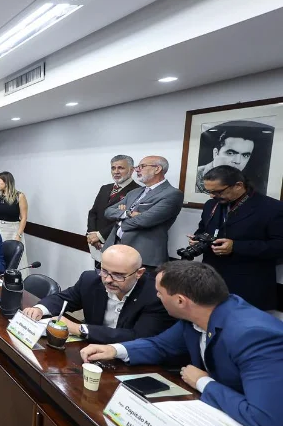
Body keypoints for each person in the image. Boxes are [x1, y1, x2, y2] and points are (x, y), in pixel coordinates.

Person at [80, 261, 283, 426]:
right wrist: (114, 349)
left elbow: (269, 421)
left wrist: (203, 383)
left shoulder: (255, 335)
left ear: (180, 301)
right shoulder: (198, 314)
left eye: (160, 292)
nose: (157, 297)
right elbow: (161, 346)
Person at [22, 245, 175, 344]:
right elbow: (64, 298)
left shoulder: (155, 294)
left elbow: (138, 337)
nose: (108, 280)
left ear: (139, 273)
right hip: (91, 349)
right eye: (104, 271)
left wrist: (79, 328)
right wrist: (40, 309)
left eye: (118, 275)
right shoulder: (91, 280)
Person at [192, 165, 283, 310]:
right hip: (211, 279)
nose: (211, 196)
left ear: (238, 185)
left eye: (217, 191)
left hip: (248, 284)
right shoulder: (211, 205)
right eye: (208, 191)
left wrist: (236, 247)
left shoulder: (272, 208)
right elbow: (204, 228)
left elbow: (279, 246)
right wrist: (198, 238)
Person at [102, 155, 184, 268]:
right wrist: (128, 213)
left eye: (142, 166)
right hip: (115, 249)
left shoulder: (172, 194)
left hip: (144, 256)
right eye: (137, 167)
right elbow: (108, 211)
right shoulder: (135, 192)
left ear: (157, 169)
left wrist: (119, 220)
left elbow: (144, 220)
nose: (137, 169)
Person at [86, 155, 139, 265]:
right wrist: (92, 234)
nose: (116, 171)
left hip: (117, 244)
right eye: (113, 168)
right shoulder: (105, 188)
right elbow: (93, 212)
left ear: (132, 170)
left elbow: (127, 220)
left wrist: (100, 236)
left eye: (121, 168)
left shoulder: (137, 191)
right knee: (98, 275)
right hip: (96, 243)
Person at [195, 130, 256, 194]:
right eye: (230, 153)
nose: (238, 161)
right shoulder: (194, 179)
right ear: (215, 153)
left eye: (245, 155)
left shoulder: (245, 184)